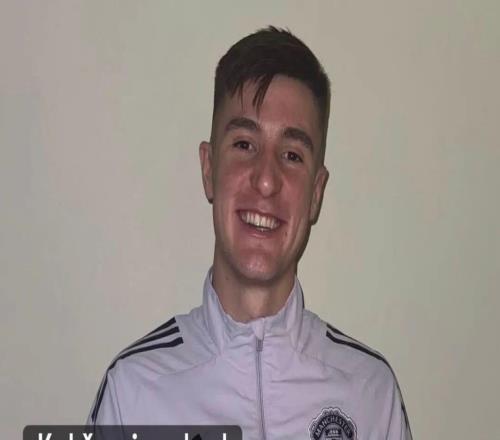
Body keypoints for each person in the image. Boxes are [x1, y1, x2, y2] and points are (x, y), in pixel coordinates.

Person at [87, 26, 412, 439]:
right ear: (209, 169)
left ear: (316, 193)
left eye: (292, 155)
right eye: (244, 145)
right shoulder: (133, 392)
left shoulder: (370, 394)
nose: (266, 180)